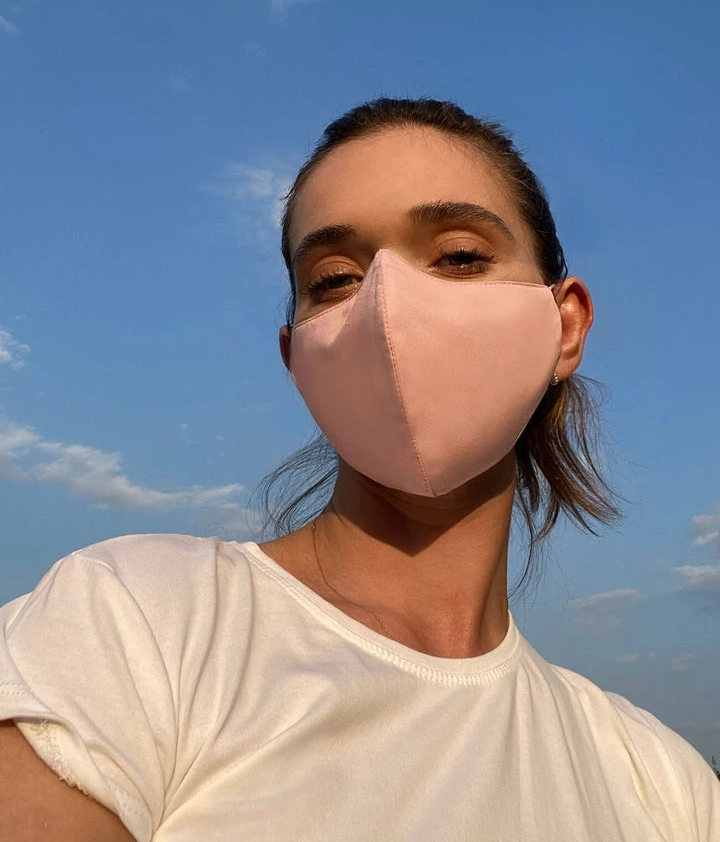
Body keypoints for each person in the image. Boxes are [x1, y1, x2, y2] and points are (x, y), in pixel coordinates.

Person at [1, 97, 718, 841]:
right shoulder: (131, 623)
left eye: (459, 256)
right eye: (336, 277)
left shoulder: (662, 783)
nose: (386, 305)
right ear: (296, 359)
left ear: (565, 326)